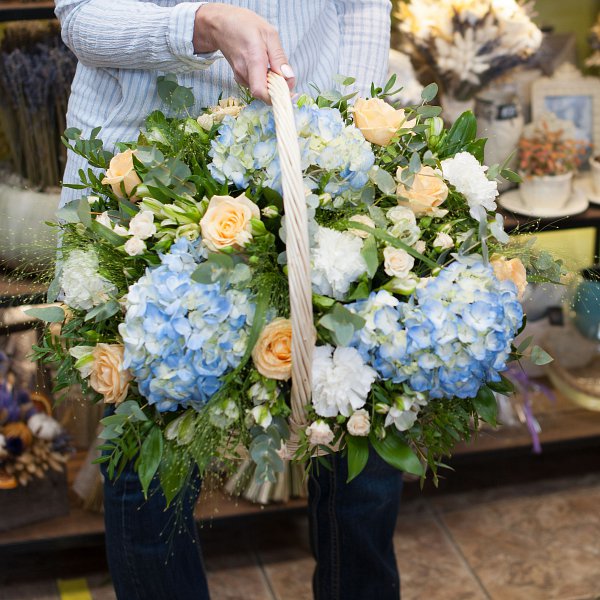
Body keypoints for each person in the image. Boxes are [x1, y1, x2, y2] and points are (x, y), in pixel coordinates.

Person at [54, 2, 403, 599]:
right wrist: (202, 25)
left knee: (362, 439)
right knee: (149, 464)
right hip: (141, 175)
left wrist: (351, 123)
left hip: (310, 155)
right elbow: (81, 15)